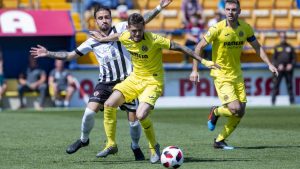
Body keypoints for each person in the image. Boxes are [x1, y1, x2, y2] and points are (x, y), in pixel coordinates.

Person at [30, 0, 173, 161]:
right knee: (89, 112)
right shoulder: (92, 40)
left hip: (127, 81)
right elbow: (70, 55)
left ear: (111, 19)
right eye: (100, 18)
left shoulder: (121, 29)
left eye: (107, 17)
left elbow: (142, 21)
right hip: (105, 83)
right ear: (95, 20)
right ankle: (84, 140)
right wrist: (48, 53)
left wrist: (159, 7)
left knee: (133, 123)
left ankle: (135, 146)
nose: (104, 20)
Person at [90, 13, 219, 163]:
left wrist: (204, 61)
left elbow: (181, 47)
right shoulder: (126, 36)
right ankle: (111, 144)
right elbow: (117, 36)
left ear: (144, 27)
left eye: (139, 30)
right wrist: (102, 39)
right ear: (129, 29)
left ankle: (153, 147)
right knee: (108, 104)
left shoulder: (155, 39)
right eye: (133, 31)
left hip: (153, 81)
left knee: (141, 114)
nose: (137, 34)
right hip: (134, 79)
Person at [189, 0, 278, 149]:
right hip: (221, 74)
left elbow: (257, 47)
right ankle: (216, 111)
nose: (231, 12)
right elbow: (199, 47)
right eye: (228, 9)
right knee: (235, 108)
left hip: (237, 74)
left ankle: (219, 140)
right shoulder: (217, 28)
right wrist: (195, 69)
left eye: (234, 10)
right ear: (224, 11)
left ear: (239, 11)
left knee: (241, 112)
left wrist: (269, 64)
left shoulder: (245, 28)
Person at [271, 32, 296, 105]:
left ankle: (292, 102)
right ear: (280, 38)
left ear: (286, 38)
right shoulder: (276, 47)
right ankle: (273, 102)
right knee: (276, 85)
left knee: (290, 86)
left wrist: (291, 65)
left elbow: (294, 59)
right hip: (279, 70)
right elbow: (273, 59)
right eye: (282, 37)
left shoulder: (290, 47)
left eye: (284, 37)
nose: (283, 38)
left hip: (288, 70)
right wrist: (278, 65)